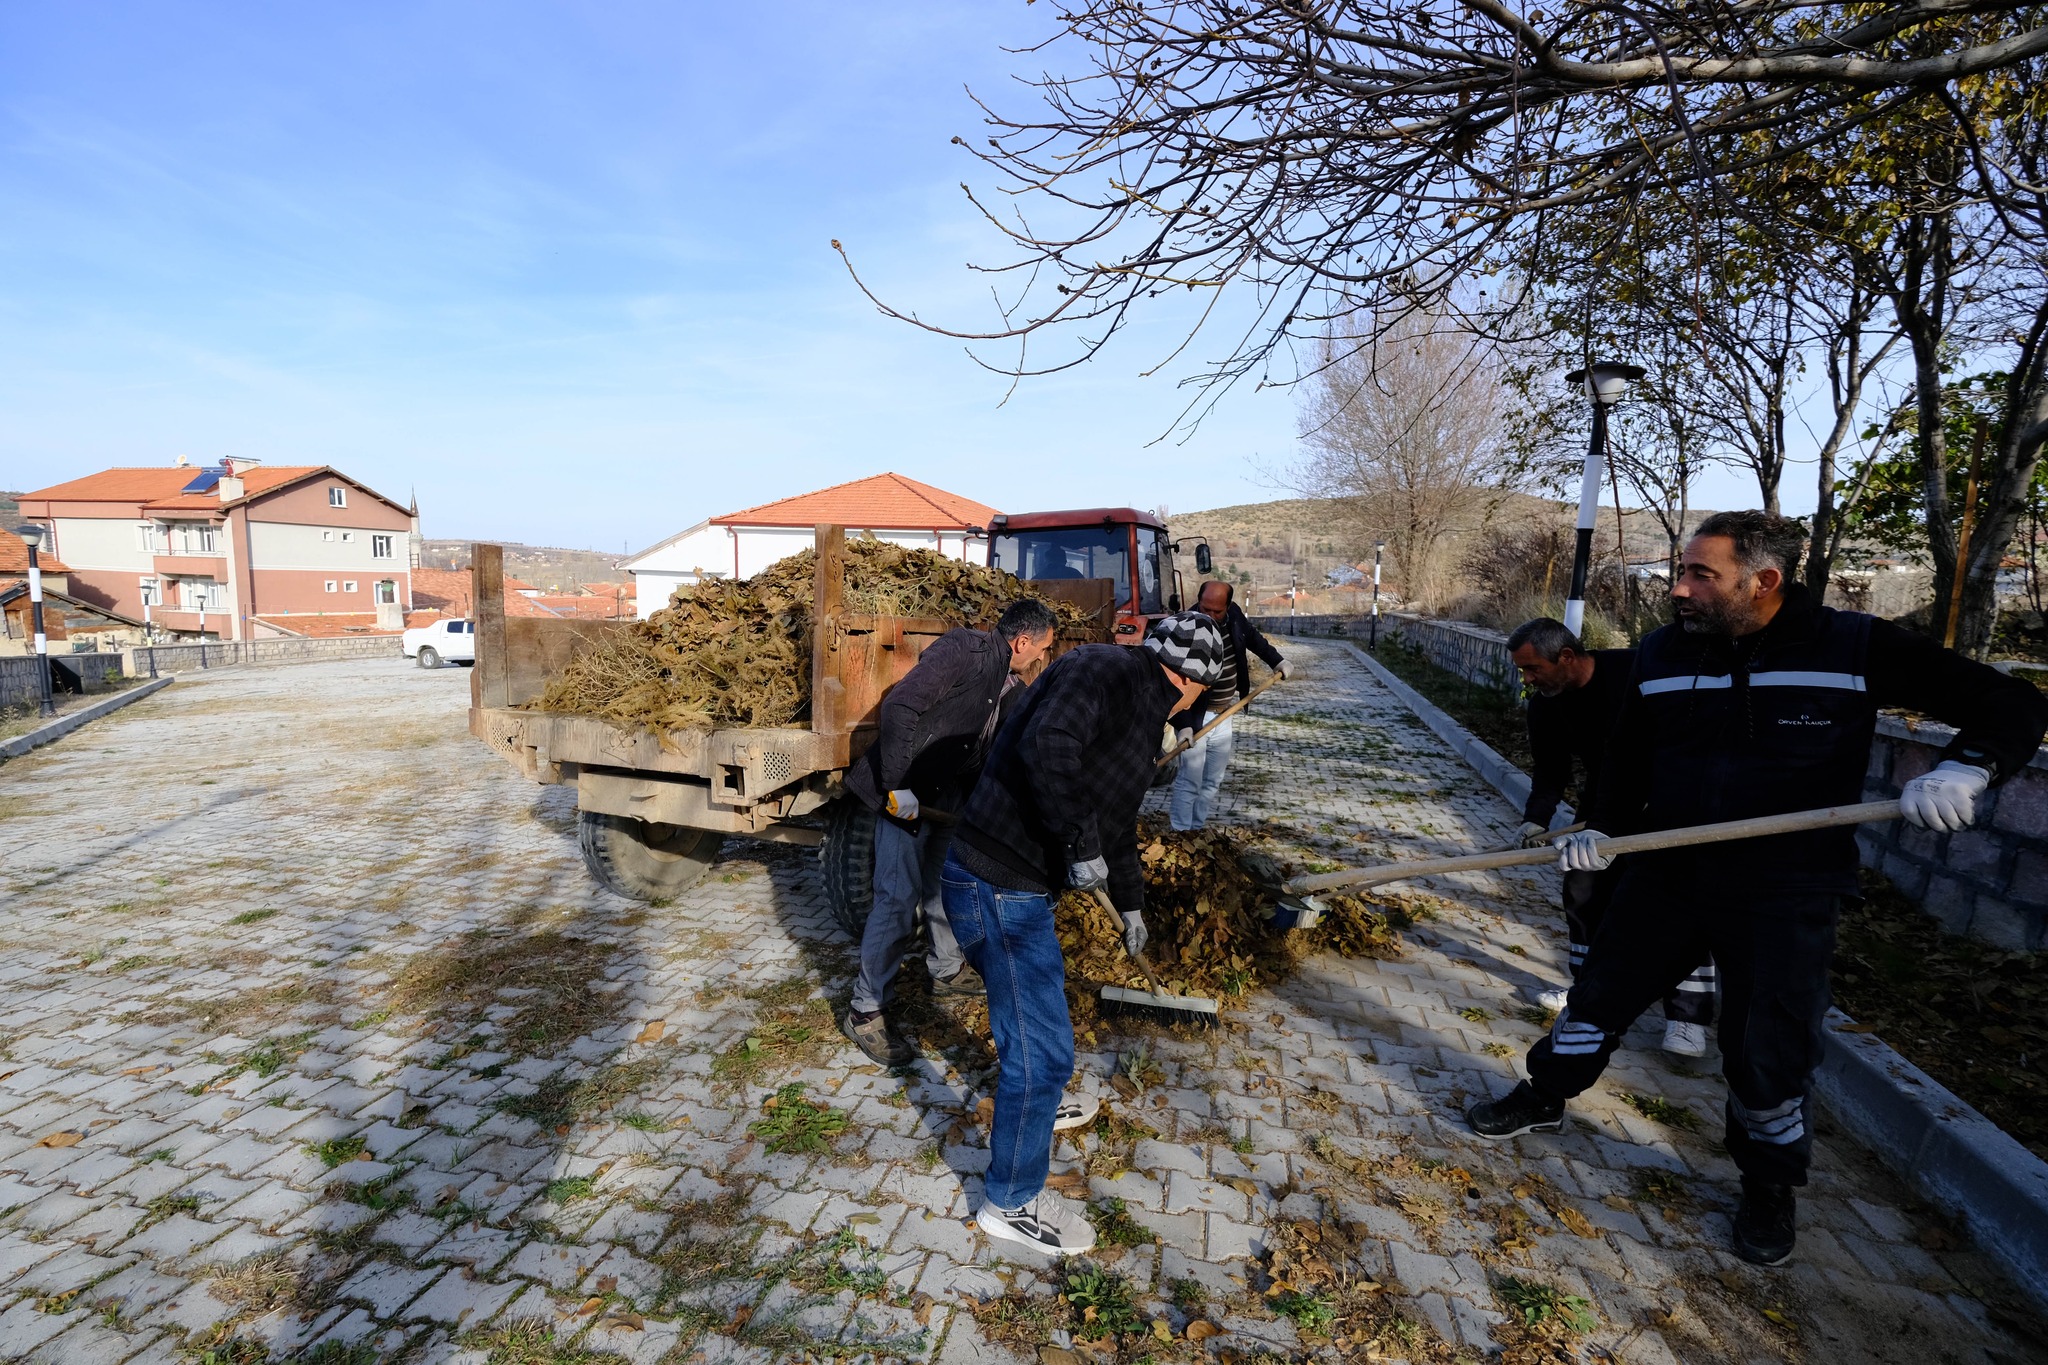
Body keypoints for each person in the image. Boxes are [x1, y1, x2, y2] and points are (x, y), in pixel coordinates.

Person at [1469, 511, 2048, 1267]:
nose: (1678, 588)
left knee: (1765, 1048)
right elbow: (1628, 751)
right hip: (1669, 872)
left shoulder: (1850, 646)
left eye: (1700, 575)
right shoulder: (1662, 653)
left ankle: (1769, 1185)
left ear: (1764, 580)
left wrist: (1970, 765)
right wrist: (1604, 825)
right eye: (1681, 570)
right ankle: (1545, 1094)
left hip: (1787, 888)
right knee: (1599, 994)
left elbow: (2013, 705)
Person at [943, 611, 1224, 1253]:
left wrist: (1130, 906)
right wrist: (1077, 837)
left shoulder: (1140, 717)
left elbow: (1116, 826)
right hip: (996, 882)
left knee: (1034, 1031)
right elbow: (1050, 744)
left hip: (1014, 885)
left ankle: (1033, 1111)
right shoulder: (1104, 668)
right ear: (1192, 684)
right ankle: (1010, 1200)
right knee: (1042, 1051)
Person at [839, 599, 1060, 1067]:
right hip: (904, 794)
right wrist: (897, 786)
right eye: (1042, 649)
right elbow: (901, 706)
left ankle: (945, 966)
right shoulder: (965, 649)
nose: (1041, 658)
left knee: (944, 886)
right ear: (1022, 642)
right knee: (896, 900)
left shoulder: (1011, 684)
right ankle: (865, 1010)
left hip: (947, 798)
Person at [1508, 617, 1716, 1057]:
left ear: (1566, 657)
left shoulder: (1634, 671)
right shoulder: (1546, 703)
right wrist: (1536, 820)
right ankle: (1585, 994)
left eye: (1533, 668)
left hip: (1671, 803)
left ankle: (1686, 1019)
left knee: (1677, 903)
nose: (1527, 679)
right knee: (1583, 889)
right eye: (1523, 670)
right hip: (1604, 806)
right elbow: (1550, 771)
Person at [1170, 580, 1287, 830]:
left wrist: (1277, 661)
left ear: (1228, 606)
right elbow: (1170, 681)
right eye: (1205, 609)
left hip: (1224, 714)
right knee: (1189, 780)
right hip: (1195, 719)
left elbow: (1254, 639)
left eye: (1217, 611)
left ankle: (1196, 829)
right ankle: (1180, 831)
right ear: (1198, 602)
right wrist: (1183, 725)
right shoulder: (1184, 627)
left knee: (1213, 780)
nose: (1210, 616)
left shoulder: (1234, 616)